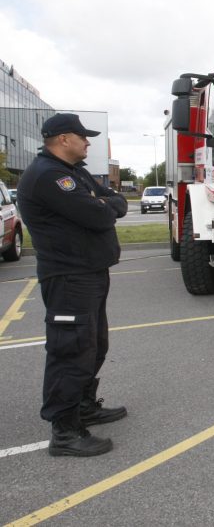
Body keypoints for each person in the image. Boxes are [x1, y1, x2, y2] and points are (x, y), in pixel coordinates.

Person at [17, 113, 128, 457]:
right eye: (83, 137)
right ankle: (64, 430)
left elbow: (117, 202)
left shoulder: (73, 172)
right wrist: (102, 205)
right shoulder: (49, 175)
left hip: (89, 272)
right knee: (71, 350)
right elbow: (99, 214)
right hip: (69, 276)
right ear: (64, 139)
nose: (88, 142)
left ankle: (83, 406)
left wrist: (103, 202)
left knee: (94, 346)